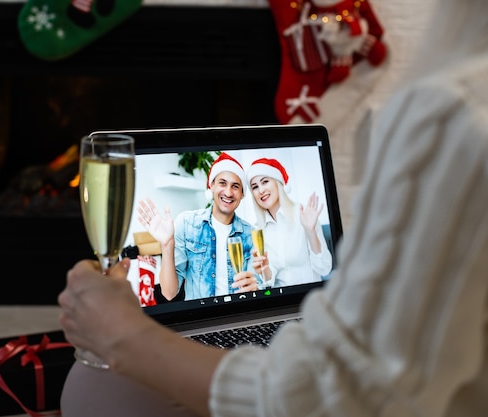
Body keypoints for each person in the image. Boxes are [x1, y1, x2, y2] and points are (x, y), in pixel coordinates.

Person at [58, 1, 488, 415]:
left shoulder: (455, 110)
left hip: (296, 330)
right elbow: (173, 296)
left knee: (91, 386)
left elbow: (342, 395)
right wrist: (168, 246)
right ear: (210, 188)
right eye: (229, 182)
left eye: (244, 183)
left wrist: (123, 335)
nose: (235, 190)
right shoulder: (193, 223)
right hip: (248, 324)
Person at [135, 151, 259, 301]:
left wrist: (256, 288)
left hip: (240, 316)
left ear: (242, 194)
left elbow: (257, 285)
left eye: (235, 186)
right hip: (202, 318)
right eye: (222, 183)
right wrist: (167, 245)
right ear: (211, 185)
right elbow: (169, 293)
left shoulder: (251, 234)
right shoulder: (187, 224)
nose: (228, 192)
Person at [246, 157, 332, 288]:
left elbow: (324, 269)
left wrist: (311, 231)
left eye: (265, 182)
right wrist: (265, 268)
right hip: (281, 302)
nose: (261, 190)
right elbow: (270, 281)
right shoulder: (258, 229)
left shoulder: (303, 214)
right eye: (255, 187)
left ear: (278, 182)